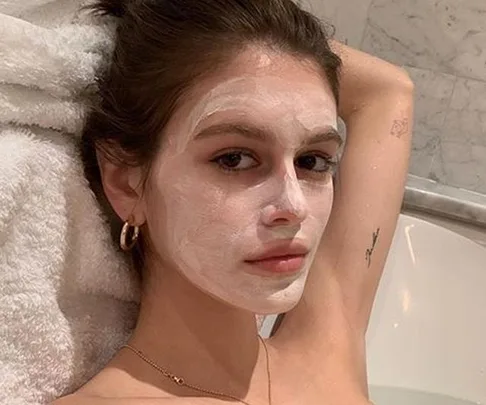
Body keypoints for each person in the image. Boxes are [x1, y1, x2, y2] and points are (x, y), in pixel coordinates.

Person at [54, 0, 413, 403]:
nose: (294, 207)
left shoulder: (326, 351)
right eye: (235, 159)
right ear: (127, 184)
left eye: (312, 161)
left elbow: (387, 92)